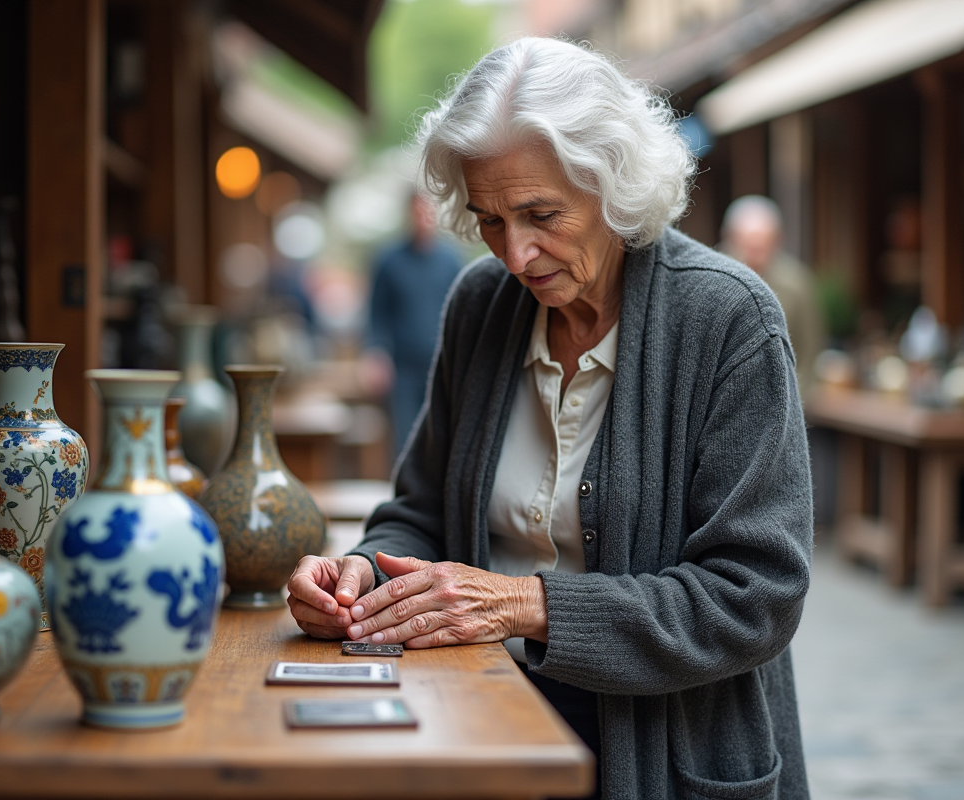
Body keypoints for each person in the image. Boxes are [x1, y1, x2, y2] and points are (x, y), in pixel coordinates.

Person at [288, 37, 812, 800]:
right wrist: (363, 573)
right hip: (483, 729)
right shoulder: (480, 304)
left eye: (540, 214)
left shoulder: (728, 320)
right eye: (490, 219)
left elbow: (755, 596)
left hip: (667, 759)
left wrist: (522, 604)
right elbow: (420, 510)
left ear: (615, 183)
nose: (515, 254)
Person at [363, 192, 461, 457]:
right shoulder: (389, 260)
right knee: (404, 437)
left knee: (441, 433)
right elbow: (376, 312)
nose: (423, 218)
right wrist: (376, 353)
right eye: (418, 211)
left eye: (428, 211)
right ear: (409, 213)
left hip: (441, 364)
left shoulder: (450, 261)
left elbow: (460, 312)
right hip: (402, 367)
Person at [721, 195, 825, 400]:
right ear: (730, 239)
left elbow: (809, 349)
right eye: (747, 246)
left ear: (777, 241)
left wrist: (794, 400)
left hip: (784, 395)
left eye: (762, 247)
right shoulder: (713, 279)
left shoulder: (797, 283)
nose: (754, 255)